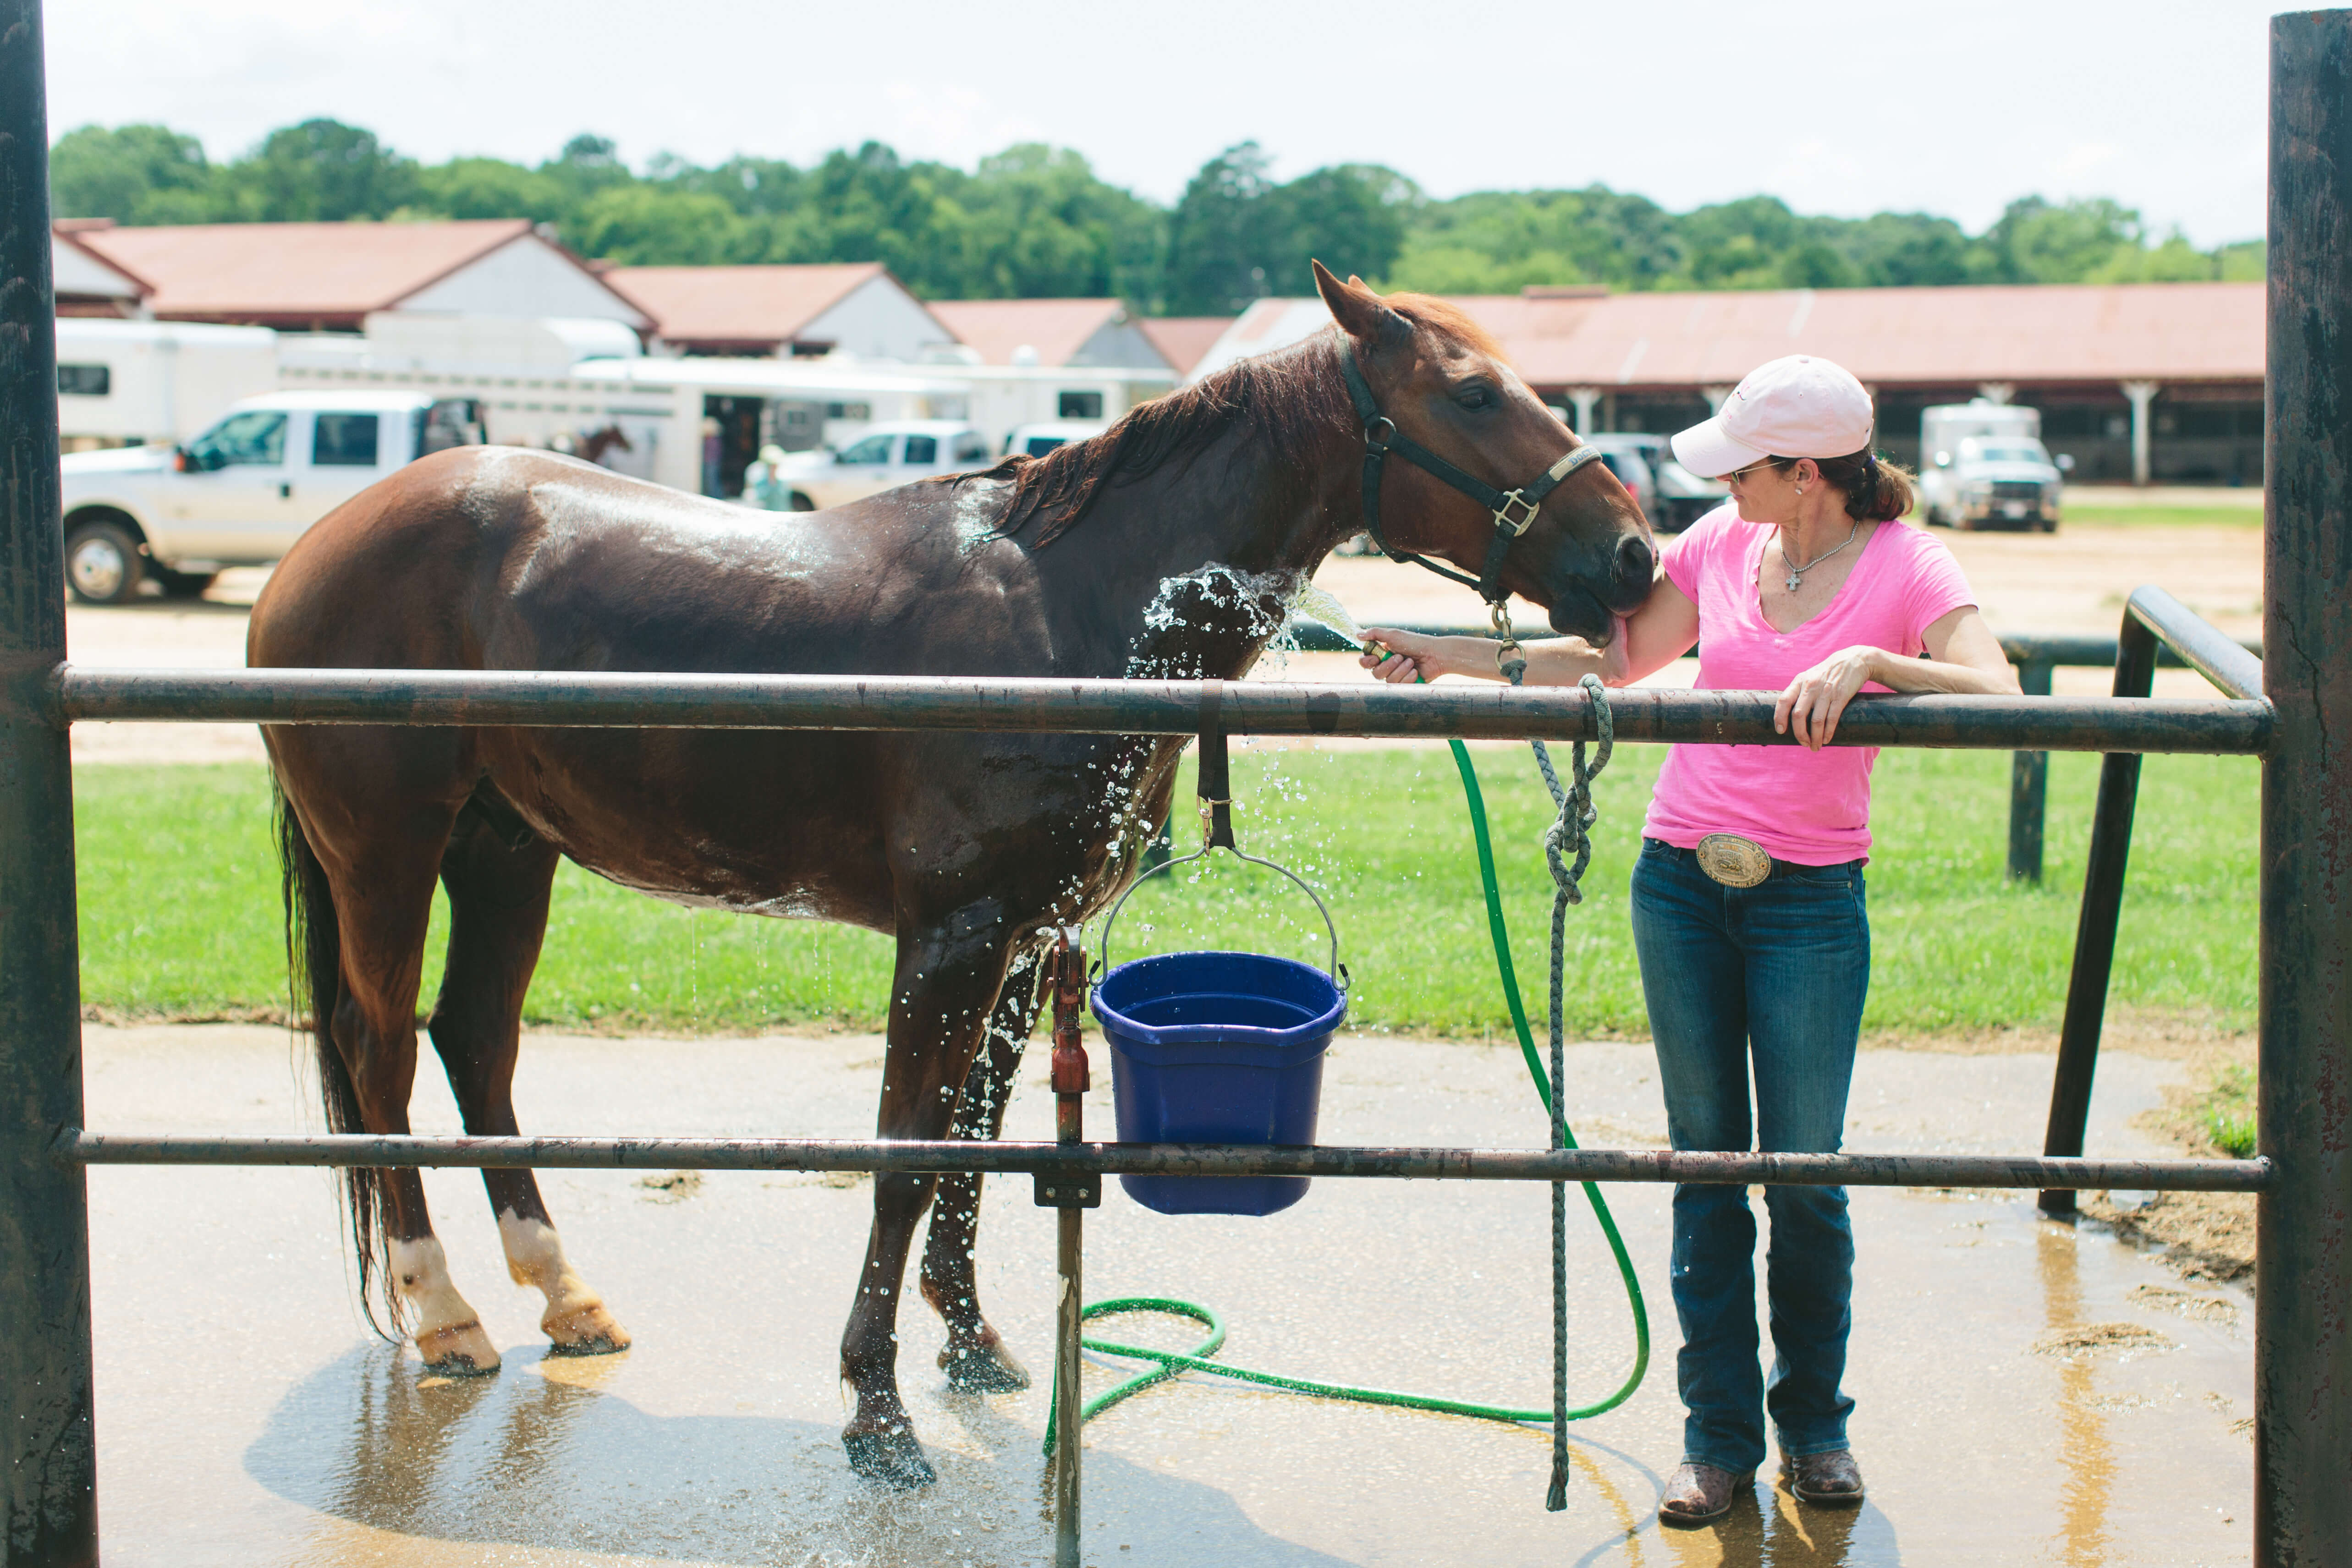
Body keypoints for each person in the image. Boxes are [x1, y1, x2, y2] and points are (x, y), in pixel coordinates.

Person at [1359, 356, 2018, 1526]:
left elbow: (1999, 692)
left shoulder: (1909, 564)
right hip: (1680, 882)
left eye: (1745, 467)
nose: (1722, 485)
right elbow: (1612, 661)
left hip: (1811, 898)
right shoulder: (1723, 544)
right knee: (1704, 1168)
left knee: (1804, 1176)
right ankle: (1716, 1437)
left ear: (1806, 474)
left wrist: (1871, 663)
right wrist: (1445, 648)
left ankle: (1813, 1425)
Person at [743, 444, 792, 511]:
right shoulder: (756, 473)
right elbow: (752, 496)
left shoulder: (783, 477)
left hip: (779, 513)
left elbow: (785, 499)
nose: (774, 467)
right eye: (772, 465)